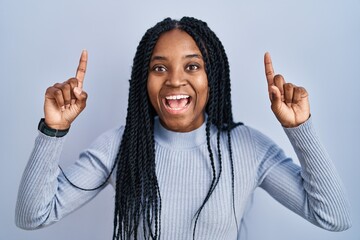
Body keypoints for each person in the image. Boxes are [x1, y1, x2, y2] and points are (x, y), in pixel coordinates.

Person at [15, 17, 351, 240]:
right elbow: (33, 216)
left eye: (192, 65)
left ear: (212, 76)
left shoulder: (246, 147)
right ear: (143, 82)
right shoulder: (122, 146)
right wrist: (52, 131)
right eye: (159, 67)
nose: (175, 79)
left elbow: (332, 217)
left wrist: (300, 129)